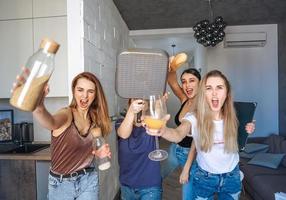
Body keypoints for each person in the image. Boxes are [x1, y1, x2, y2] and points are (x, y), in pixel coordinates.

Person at [146, 70, 255, 199]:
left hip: (232, 177)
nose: (214, 93)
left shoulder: (234, 115)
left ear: (227, 92)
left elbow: (242, 134)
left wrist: (249, 127)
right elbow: (178, 134)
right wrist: (162, 130)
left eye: (219, 87)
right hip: (205, 178)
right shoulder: (194, 117)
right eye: (209, 88)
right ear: (203, 93)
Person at [12, 71, 112, 200]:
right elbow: (50, 121)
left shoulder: (95, 120)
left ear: (96, 95)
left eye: (90, 91)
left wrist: (99, 152)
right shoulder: (66, 114)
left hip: (88, 179)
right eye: (80, 90)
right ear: (74, 91)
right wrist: (38, 105)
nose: (85, 96)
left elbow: (97, 146)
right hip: (61, 185)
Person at [161, 66, 201, 200]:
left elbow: (197, 140)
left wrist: (186, 169)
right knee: (158, 175)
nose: (187, 85)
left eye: (192, 80)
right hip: (175, 148)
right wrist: (171, 68)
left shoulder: (202, 106)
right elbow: (172, 82)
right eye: (184, 81)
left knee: (188, 194)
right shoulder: (185, 100)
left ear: (200, 83)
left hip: (191, 155)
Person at [115, 99, 162, 200]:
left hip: (150, 187)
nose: (139, 101)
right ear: (129, 103)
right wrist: (132, 111)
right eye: (135, 98)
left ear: (147, 104)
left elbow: (158, 126)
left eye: (142, 98)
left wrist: (158, 106)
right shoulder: (120, 122)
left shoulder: (151, 124)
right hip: (127, 186)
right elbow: (124, 134)